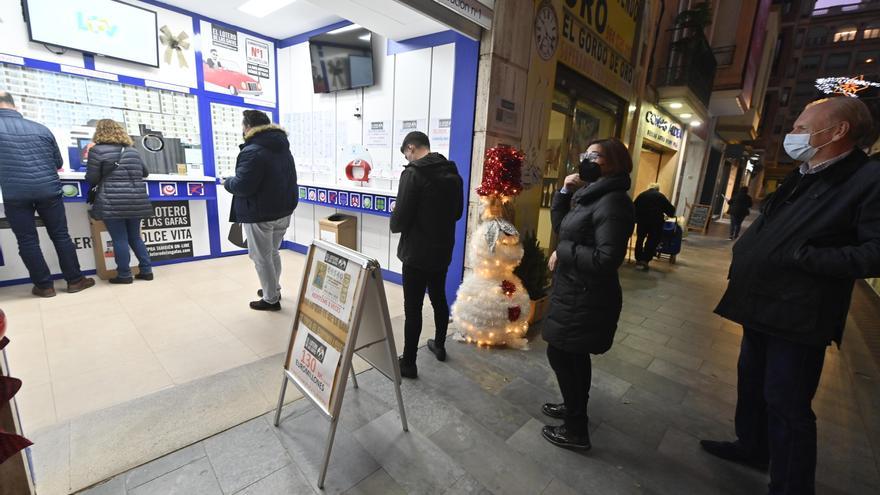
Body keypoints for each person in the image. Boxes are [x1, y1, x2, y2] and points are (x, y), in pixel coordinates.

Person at [703, 97, 880, 494]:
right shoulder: (806, 173)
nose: (793, 135)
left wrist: (807, 257)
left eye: (801, 127)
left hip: (799, 314)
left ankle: (791, 486)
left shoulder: (867, 179)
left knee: (787, 404)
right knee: (752, 384)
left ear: (837, 132)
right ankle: (752, 446)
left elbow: (875, 251)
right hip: (761, 302)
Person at [542, 138, 635, 450]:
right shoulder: (590, 195)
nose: (585, 159)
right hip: (574, 289)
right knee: (571, 355)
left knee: (562, 353)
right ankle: (574, 409)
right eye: (586, 153)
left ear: (611, 163)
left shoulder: (613, 202)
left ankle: (576, 430)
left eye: (592, 155)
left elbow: (607, 259)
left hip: (586, 294)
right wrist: (565, 193)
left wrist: (564, 252)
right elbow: (562, 227)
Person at [0, 91, 95, 297]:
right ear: (14, 106)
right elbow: (58, 163)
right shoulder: (40, 128)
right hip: (48, 191)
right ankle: (75, 281)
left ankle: (44, 286)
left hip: (15, 194)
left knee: (27, 241)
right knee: (61, 235)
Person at [390, 131, 463, 379]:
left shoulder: (413, 174)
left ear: (411, 147)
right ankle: (440, 344)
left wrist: (396, 211)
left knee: (413, 307)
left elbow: (398, 222)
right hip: (442, 250)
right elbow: (456, 214)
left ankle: (409, 363)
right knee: (438, 297)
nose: (408, 159)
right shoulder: (453, 172)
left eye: (406, 154)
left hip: (416, 253)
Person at [223, 110, 298, 311]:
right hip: (283, 210)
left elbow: (242, 186)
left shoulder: (252, 150)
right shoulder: (282, 147)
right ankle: (273, 288)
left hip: (260, 212)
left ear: (248, 127)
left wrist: (227, 182)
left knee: (261, 257)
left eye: (242, 126)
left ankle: (270, 299)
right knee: (272, 252)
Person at [86, 119, 154, 284]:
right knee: (135, 237)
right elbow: (145, 173)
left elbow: (92, 178)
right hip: (136, 200)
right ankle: (146, 271)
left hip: (112, 201)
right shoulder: (132, 150)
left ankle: (124, 275)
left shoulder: (97, 151)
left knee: (119, 239)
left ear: (99, 132)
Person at [632, 183, 675, 271]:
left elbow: (633, 207)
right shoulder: (660, 196)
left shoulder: (642, 195)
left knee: (640, 239)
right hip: (655, 222)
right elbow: (671, 210)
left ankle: (638, 258)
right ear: (658, 189)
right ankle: (645, 260)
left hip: (642, 221)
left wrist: (636, 218)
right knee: (652, 240)